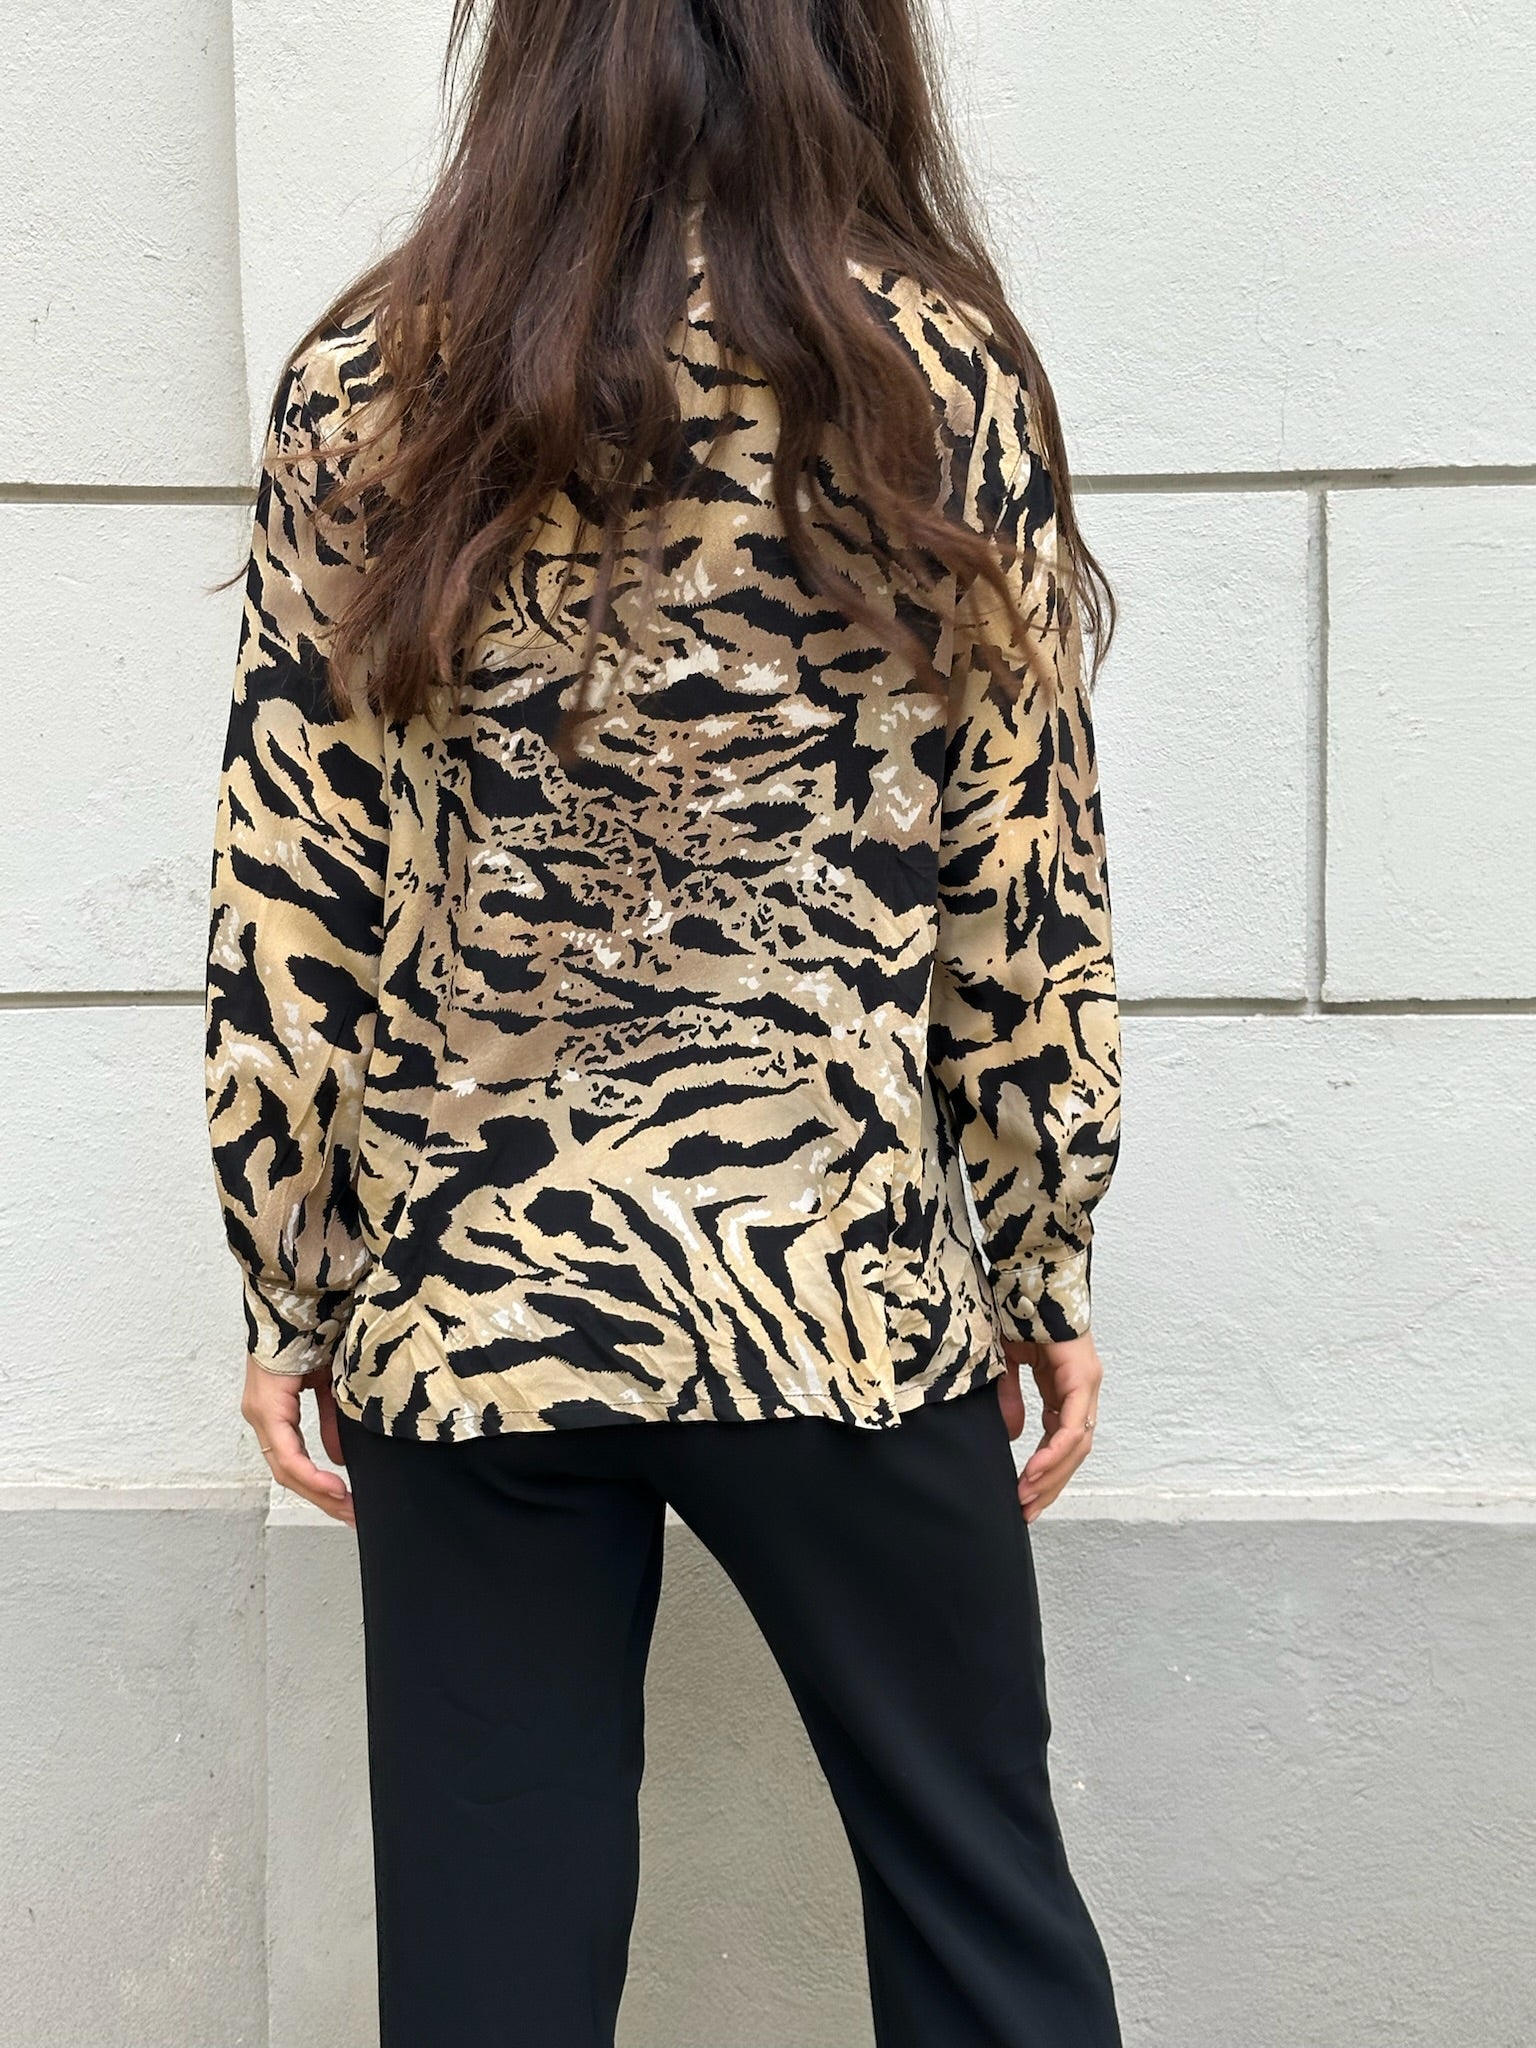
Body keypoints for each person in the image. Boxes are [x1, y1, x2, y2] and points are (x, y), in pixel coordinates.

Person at [203, 0, 1125, 2038]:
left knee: (492, 1965)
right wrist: (1037, 1240)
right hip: (835, 1281)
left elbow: (297, 881)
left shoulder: (374, 382)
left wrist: (290, 1277)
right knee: (980, 1903)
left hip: (475, 1288)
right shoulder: (932, 373)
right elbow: (1022, 881)